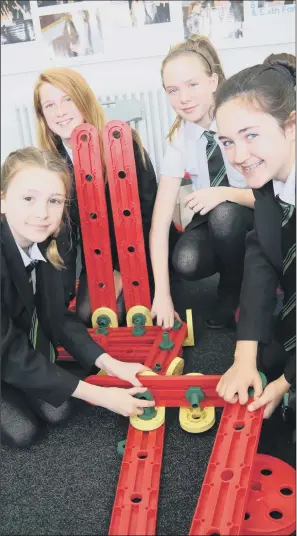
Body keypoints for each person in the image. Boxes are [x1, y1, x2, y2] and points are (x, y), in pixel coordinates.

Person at [1, 147, 155, 449]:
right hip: (5, 350)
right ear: (3, 199)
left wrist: (112, 364)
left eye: (54, 201)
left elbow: (59, 317)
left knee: (59, 410)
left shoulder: (46, 240)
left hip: (17, 345)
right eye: (28, 198)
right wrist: (102, 396)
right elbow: (7, 352)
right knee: (23, 433)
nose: (42, 213)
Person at [33, 67, 167, 326]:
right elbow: (65, 232)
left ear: (84, 98)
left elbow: (149, 214)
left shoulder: (123, 143)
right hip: (97, 255)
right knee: (87, 315)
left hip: (137, 248)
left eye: (67, 99)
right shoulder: (51, 161)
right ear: (42, 115)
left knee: (124, 315)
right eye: (49, 105)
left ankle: (169, 283)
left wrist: (121, 269)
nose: (59, 112)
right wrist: (60, 293)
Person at [150, 35, 255, 330]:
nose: (183, 98)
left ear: (213, 81)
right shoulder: (179, 140)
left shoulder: (242, 122)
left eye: (192, 84)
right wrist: (162, 294)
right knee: (185, 260)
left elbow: (274, 195)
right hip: (213, 220)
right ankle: (238, 272)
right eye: (173, 90)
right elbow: (159, 224)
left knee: (224, 214)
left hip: (255, 212)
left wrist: (223, 193)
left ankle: (234, 292)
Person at [215, 55, 295, 420]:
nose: (238, 156)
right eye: (227, 142)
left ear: (291, 125)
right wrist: (242, 358)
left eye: (250, 135)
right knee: (263, 358)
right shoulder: (268, 183)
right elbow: (260, 260)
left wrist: (284, 383)